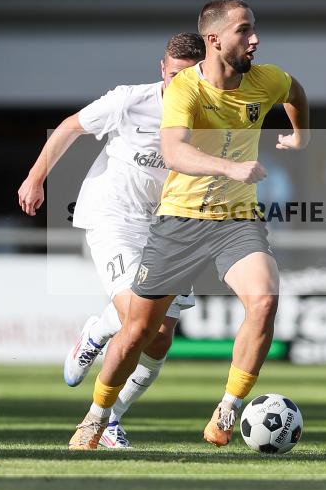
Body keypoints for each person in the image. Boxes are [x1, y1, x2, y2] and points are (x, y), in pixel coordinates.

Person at [68, 0, 310, 450]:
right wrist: (228, 167)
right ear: (214, 40)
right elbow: (175, 152)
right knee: (140, 332)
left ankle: (228, 409)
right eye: (244, 30)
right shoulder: (185, 90)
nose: (254, 38)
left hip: (237, 219)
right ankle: (96, 417)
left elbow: (294, 91)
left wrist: (301, 133)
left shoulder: (266, 79)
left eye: (253, 28)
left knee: (264, 301)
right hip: (179, 220)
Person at [17, 33, 205, 448]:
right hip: (114, 217)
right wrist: (35, 177)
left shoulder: (209, 112)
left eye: (189, 76)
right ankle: (100, 341)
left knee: (160, 337)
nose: (180, 84)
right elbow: (69, 127)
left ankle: (112, 414)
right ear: (162, 69)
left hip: (171, 228)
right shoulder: (129, 101)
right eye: (174, 74)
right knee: (139, 317)